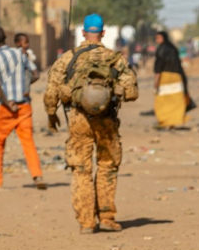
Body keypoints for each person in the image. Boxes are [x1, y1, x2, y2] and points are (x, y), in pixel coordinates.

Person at [44, 14, 138, 234]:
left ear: (84, 33)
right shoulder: (115, 59)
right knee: (108, 166)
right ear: (103, 33)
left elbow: (51, 91)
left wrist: (51, 113)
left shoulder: (69, 58)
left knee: (81, 170)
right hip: (107, 121)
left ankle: (86, 222)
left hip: (79, 120)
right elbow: (132, 93)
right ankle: (107, 217)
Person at [0, 27, 46, 190]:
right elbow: (35, 74)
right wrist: (25, 86)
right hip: (25, 105)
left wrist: (6, 101)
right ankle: (37, 175)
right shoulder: (20, 53)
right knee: (28, 141)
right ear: (6, 38)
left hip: (8, 108)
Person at [153, 31, 193, 127]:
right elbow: (179, 64)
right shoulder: (173, 48)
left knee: (161, 99)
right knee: (176, 100)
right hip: (177, 76)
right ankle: (175, 120)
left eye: (158, 38)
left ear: (163, 38)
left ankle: (164, 121)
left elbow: (159, 65)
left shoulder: (161, 49)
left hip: (165, 77)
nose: (156, 40)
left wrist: (156, 79)